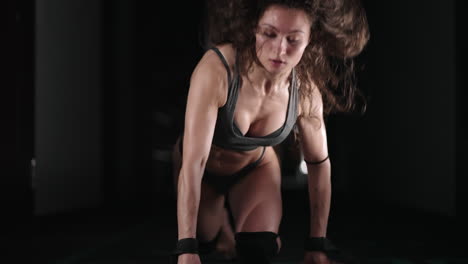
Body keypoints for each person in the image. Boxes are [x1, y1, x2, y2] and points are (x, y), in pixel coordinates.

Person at [171, 0, 370, 263]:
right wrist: (187, 248)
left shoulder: (306, 93)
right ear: (253, 28)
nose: (280, 49)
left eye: (293, 40)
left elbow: (320, 165)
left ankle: (238, 229)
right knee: (204, 243)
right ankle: (222, 229)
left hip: (254, 168)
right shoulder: (217, 70)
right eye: (269, 34)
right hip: (203, 170)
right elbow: (194, 162)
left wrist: (317, 244)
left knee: (258, 249)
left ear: (311, 40)